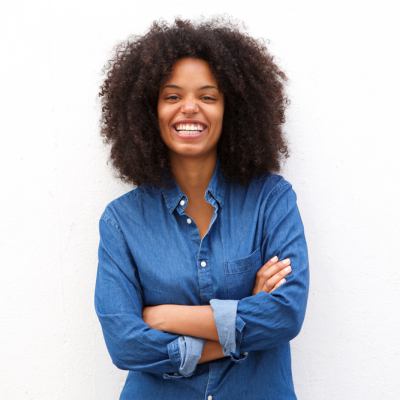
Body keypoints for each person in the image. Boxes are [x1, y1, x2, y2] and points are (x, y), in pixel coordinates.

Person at [94, 16, 310, 400]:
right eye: (172, 96)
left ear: (232, 109)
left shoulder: (271, 200)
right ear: (149, 109)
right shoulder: (121, 222)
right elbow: (125, 344)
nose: (189, 108)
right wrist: (243, 318)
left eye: (208, 96)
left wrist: (164, 318)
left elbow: (284, 314)